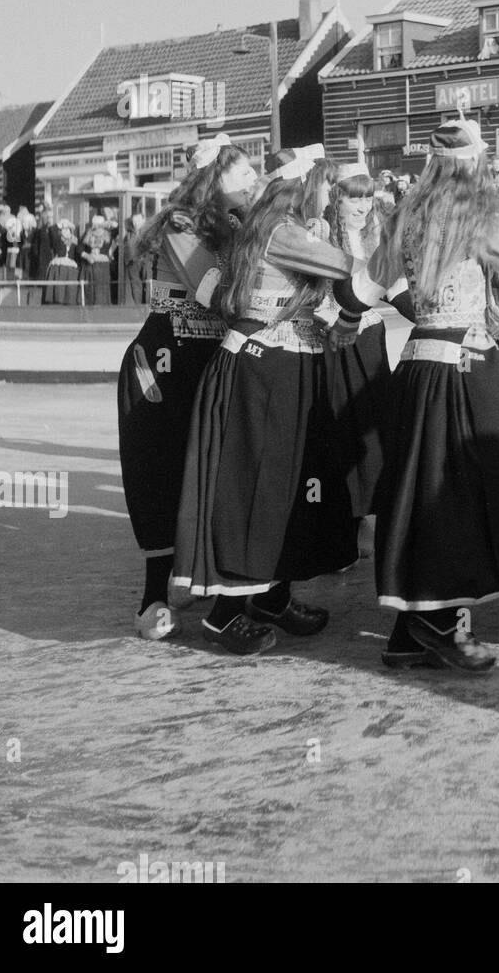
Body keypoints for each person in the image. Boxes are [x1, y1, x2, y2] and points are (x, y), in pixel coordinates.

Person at [337, 119, 499, 672]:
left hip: (417, 364)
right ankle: (441, 625)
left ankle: (407, 632)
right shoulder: (480, 221)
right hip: (468, 367)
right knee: (463, 494)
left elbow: (360, 290)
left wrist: (347, 319)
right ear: (477, 166)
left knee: (418, 486)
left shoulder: (405, 218)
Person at [173, 148, 362, 654]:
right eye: (325, 186)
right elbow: (350, 273)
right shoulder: (284, 233)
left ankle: (271, 594)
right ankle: (225, 612)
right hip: (264, 369)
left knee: (285, 484)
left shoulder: (277, 229)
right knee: (260, 487)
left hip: (278, 365)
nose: (330, 196)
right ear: (302, 189)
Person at [117, 135, 258, 640]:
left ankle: (221, 586)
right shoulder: (182, 225)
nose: (252, 181)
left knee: (217, 475)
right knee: (161, 473)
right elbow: (217, 292)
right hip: (166, 362)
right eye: (243, 174)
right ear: (214, 177)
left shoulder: (241, 225)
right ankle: (153, 596)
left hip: (211, 359)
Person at [321, 163, 391, 556]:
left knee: (374, 428)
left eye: (367, 196)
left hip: (369, 336)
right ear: (337, 198)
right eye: (354, 197)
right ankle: (342, 522)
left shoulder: (377, 236)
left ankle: (370, 515)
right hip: (333, 337)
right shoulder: (323, 235)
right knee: (339, 428)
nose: (363, 206)